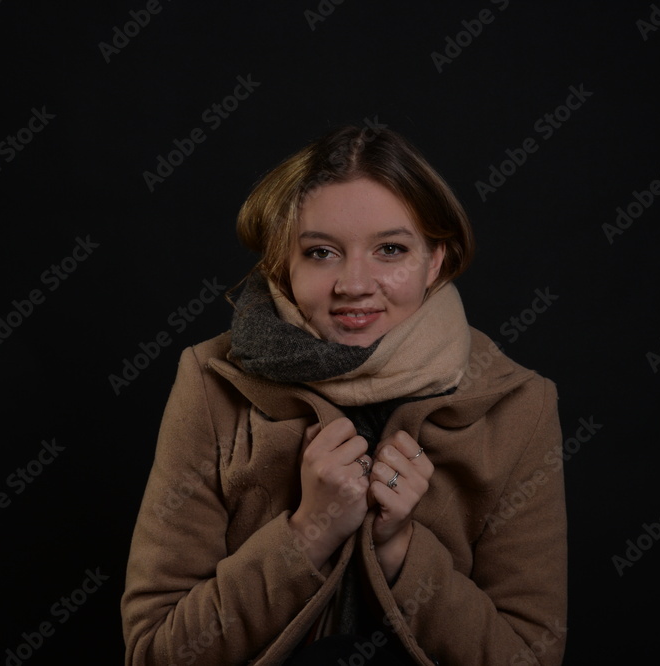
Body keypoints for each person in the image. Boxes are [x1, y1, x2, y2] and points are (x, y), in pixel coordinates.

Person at [121, 125, 567, 665]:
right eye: (322, 252)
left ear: (435, 259)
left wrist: (400, 548)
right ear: (282, 262)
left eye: (390, 250)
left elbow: (529, 659)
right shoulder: (211, 383)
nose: (354, 284)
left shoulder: (520, 406)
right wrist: (308, 532)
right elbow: (154, 653)